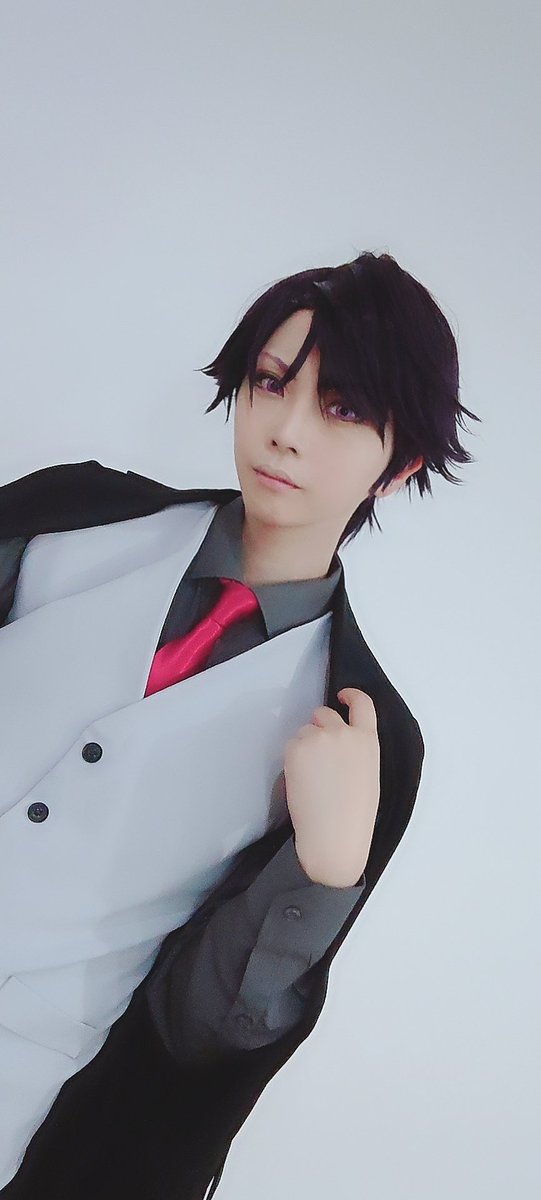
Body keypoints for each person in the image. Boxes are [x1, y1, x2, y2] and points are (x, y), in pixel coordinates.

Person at [0, 251, 481, 1199]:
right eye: (270, 383)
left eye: (342, 409)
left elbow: (200, 1029)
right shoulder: (64, 520)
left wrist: (323, 873)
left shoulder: (359, 735)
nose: (285, 431)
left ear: (400, 466)